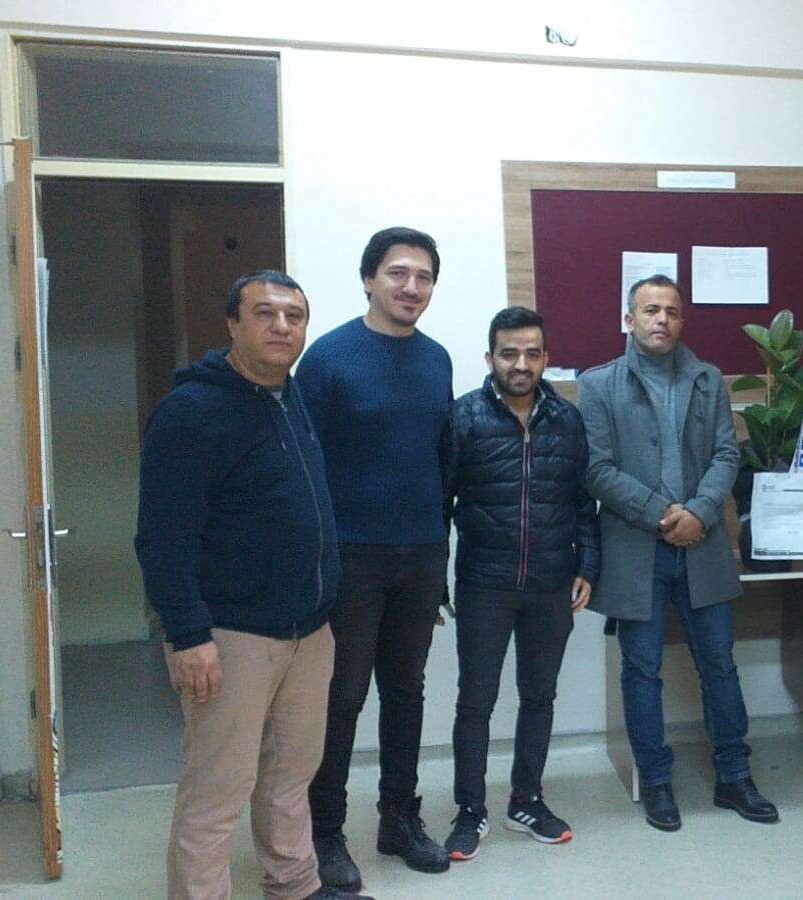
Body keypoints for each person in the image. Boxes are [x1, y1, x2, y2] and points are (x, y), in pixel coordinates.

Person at [135, 271, 367, 900]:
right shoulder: (192, 411)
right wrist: (189, 636)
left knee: (290, 776)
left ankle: (295, 885)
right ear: (232, 324)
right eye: (265, 313)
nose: (282, 326)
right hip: (230, 635)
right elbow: (162, 537)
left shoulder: (292, 398)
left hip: (308, 631)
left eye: (295, 315)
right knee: (217, 792)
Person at [577, 274, 779, 832]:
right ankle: (657, 782)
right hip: (634, 550)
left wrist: (699, 513)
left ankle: (735, 777)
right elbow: (595, 468)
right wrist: (662, 515)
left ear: (682, 321)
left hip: (702, 545)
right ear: (629, 319)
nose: (661, 319)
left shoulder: (707, 380)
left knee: (719, 664)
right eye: (650, 310)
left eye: (670, 311)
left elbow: (726, 455)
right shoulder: (598, 385)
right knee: (642, 670)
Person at [298, 228, 454, 890]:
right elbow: (304, 465)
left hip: (421, 554)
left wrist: (438, 565)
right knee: (343, 695)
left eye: (423, 276)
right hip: (351, 558)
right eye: (398, 273)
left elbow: (440, 463)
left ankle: (399, 819)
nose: (411, 287)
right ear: (369, 279)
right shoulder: (328, 358)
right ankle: (325, 834)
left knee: (407, 689)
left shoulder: (438, 360)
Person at [441, 307, 600, 862]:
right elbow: (440, 502)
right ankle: (470, 809)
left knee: (539, 696)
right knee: (476, 701)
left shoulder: (567, 419)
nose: (521, 364)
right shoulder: (463, 417)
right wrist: (435, 578)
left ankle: (526, 800)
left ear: (546, 359)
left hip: (551, 583)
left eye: (532, 353)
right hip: (484, 583)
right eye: (509, 353)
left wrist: (588, 566)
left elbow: (583, 501)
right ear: (490, 358)